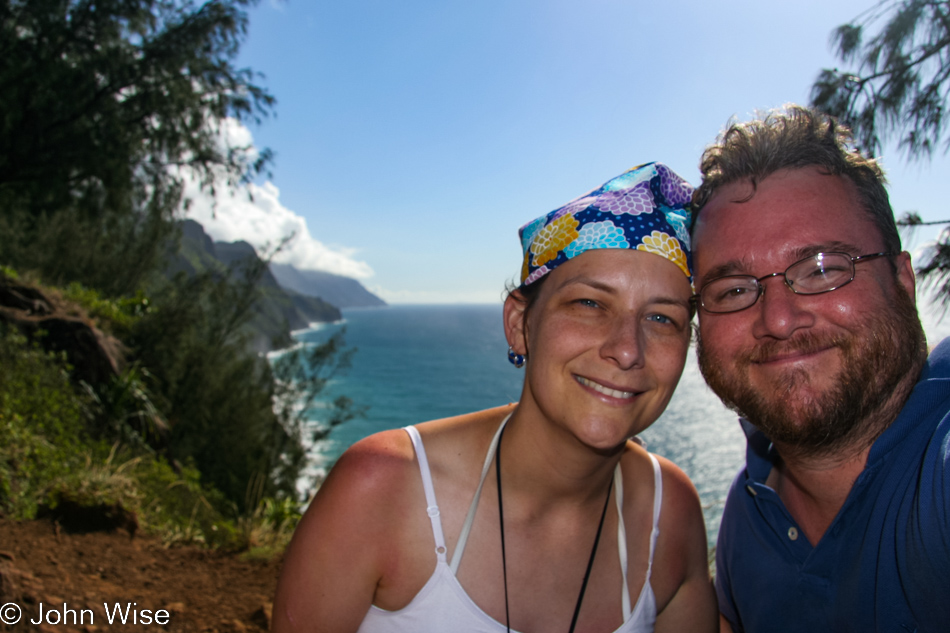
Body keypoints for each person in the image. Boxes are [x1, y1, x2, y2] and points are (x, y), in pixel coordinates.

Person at [272, 162, 717, 633]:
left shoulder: (669, 513)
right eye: (589, 304)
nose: (627, 350)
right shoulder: (383, 489)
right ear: (519, 325)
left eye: (662, 319)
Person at [689, 105, 950, 633]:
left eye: (823, 268)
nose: (779, 320)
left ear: (903, 280)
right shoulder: (749, 513)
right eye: (734, 289)